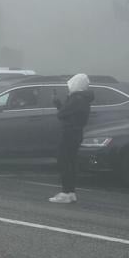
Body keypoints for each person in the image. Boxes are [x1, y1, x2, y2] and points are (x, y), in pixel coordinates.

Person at [50, 73, 93, 204]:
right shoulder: (84, 98)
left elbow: (62, 114)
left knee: (64, 161)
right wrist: (59, 104)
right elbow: (66, 112)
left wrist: (59, 104)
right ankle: (71, 192)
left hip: (69, 133)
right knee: (71, 162)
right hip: (77, 132)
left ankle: (65, 192)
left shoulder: (76, 98)